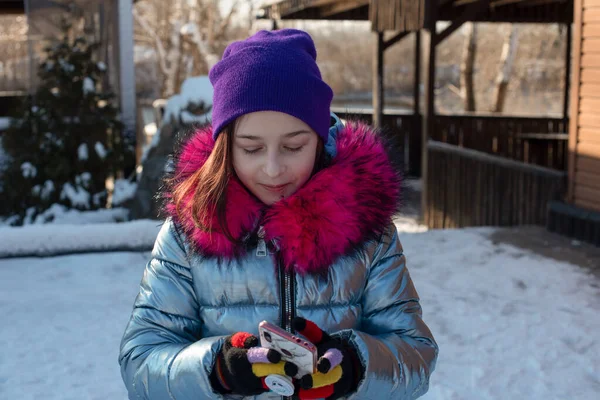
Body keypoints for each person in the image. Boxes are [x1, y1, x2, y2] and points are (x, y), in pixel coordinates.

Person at [118, 28, 438, 400]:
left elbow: (416, 356)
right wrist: (218, 369)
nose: (273, 169)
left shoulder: (370, 232)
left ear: (319, 139)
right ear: (225, 147)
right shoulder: (189, 232)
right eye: (251, 148)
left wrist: (356, 365)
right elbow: (140, 363)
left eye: (293, 146)